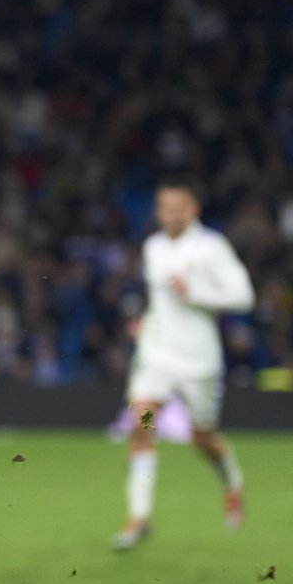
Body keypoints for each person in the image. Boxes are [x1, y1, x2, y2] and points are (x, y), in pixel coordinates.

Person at [114, 180, 254, 550]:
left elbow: (244, 296)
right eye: (165, 207)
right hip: (156, 358)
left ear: (193, 209)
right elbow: (161, 301)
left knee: (202, 438)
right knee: (142, 420)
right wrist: (147, 320)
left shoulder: (212, 248)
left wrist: (196, 295)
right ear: (158, 212)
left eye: (180, 207)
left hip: (198, 362)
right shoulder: (153, 247)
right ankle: (139, 516)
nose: (172, 214)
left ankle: (231, 481)